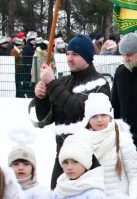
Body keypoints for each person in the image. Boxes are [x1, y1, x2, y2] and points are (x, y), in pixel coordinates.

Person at [33, 34, 111, 187]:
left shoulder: (100, 84)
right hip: (63, 159)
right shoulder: (63, 82)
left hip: (89, 161)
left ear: (87, 57)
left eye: (75, 54)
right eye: (68, 54)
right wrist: (41, 98)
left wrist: (53, 84)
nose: (69, 58)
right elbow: (44, 118)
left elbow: (78, 112)